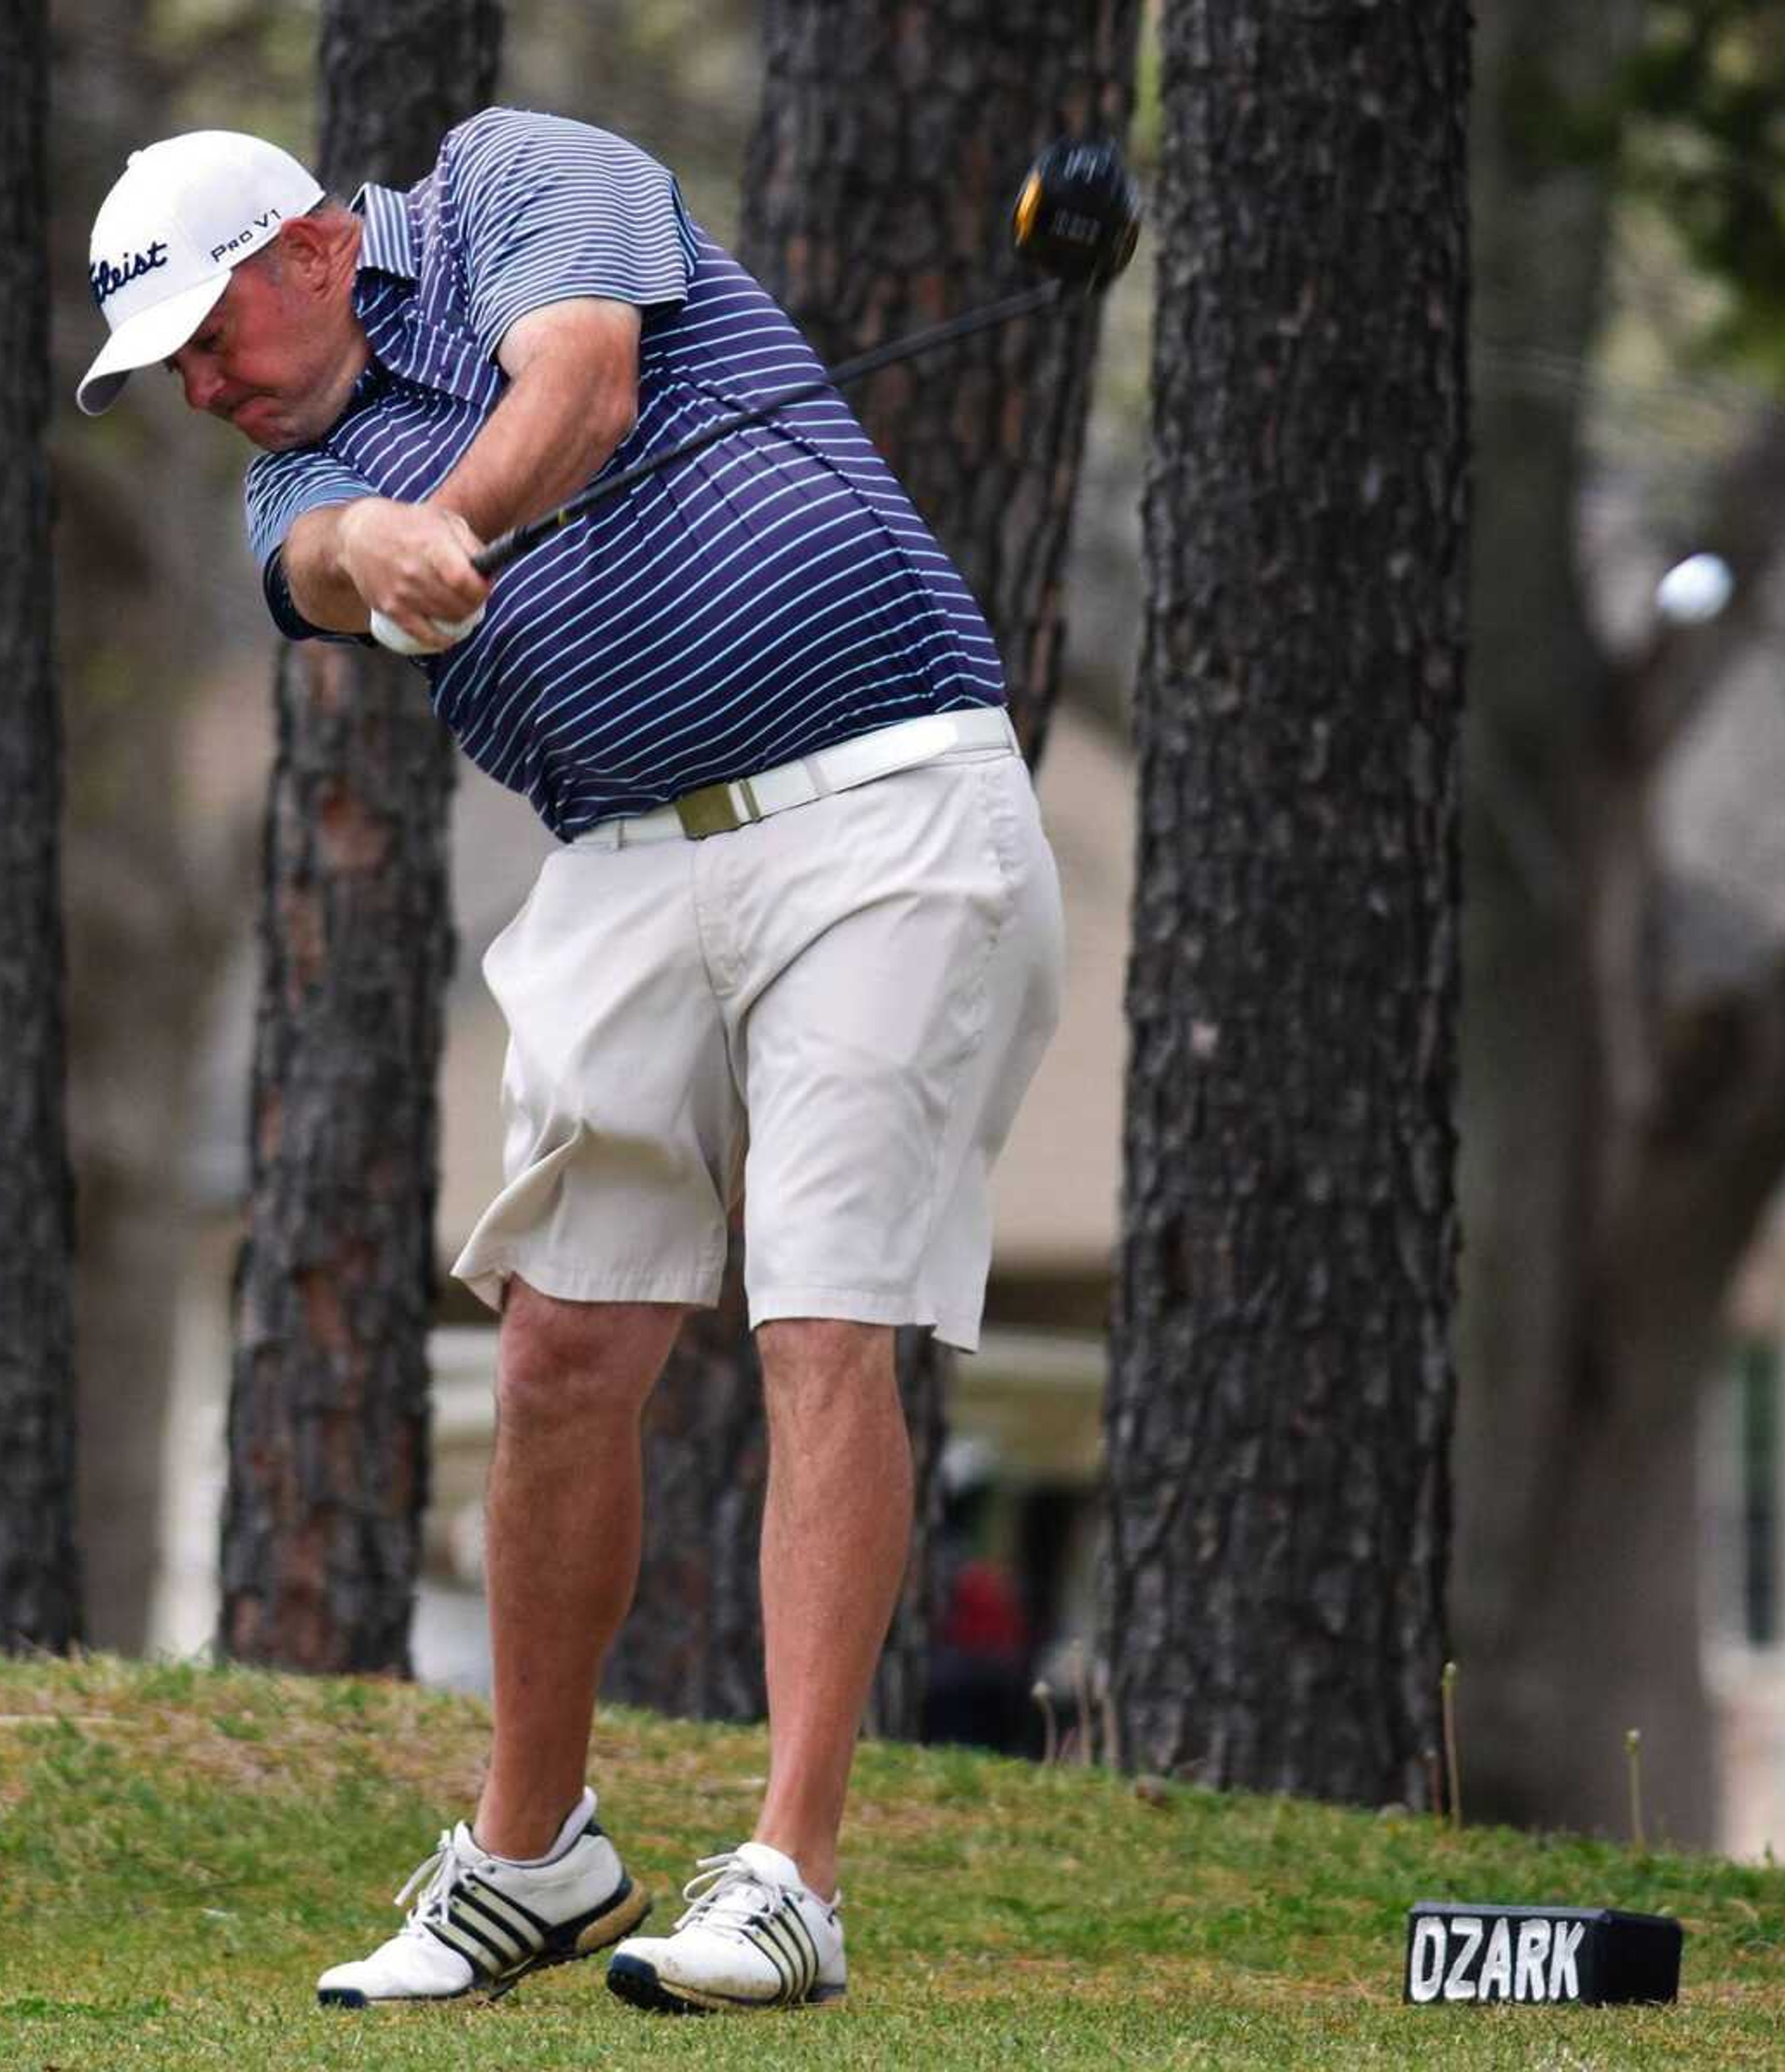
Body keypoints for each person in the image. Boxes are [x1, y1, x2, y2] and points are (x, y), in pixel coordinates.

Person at [78, 108, 1062, 2016]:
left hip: (886, 799)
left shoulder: (521, 179)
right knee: (556, 1350)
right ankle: (534, 1859)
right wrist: (388, 540)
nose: (201, 387)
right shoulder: (288, 481)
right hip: (623, 852)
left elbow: (586, 381)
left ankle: (791, 1876)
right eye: (168, 369)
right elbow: (332, 563)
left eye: (211, 334)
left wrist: (465, 511)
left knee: (822, 1310)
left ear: (307, 249)